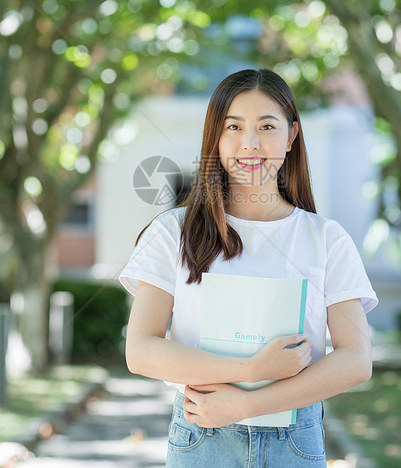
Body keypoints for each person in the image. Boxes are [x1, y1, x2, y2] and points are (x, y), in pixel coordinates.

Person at [118, 68, 378, 467]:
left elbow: (356, 360)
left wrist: (248, 403)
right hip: (202, 436)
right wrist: (252, 369)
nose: (249, 143)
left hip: (295, 441)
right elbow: (141, 350)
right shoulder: (174, 231)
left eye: (267, 126)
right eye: (234, 127)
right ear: (215, 137)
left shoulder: (326, 239)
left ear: (292, 136)